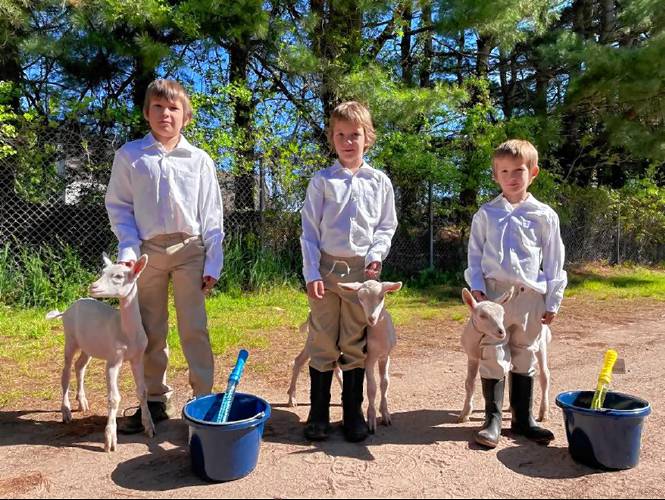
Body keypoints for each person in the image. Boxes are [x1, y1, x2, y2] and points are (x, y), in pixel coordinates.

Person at [105, 79, 224, 433]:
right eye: (157, 107)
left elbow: (212, 214)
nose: (165, 114)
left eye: (173, 108)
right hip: (147, 252)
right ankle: (155, 400)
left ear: (186, 117)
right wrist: (129, 249)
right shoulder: (130, 156)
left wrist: (213, 261)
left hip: (190, 249)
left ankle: (203, 397)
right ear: (146, 112)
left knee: (194, 327)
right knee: (150, 328)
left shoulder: (199, 160)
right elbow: (120, 207)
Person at [300, 101, 397, 442]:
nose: (347, 141)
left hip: (362, 276)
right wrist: (312, 273)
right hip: (326, 272)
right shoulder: (322, 181)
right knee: (324, 339)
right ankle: (318, 412)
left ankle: (353, 411)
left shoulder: (379, 182)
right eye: (340, 135)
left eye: (354, 134)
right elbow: (309, 230)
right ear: (332, 139)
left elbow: (386, 225)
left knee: (355, 343)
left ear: (367, 138)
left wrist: (375, 254)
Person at [464, 139, 567, 448]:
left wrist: (553, 299)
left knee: (525, 353)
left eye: (519, 170)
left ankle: (523, 419)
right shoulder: (486, 214)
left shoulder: (544, 215)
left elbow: (554, 261)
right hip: (494, 297)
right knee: (493, 352)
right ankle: (492, 419)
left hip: (530, 298)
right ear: (496, 175)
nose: (512, 177)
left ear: (532, 172)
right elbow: (474, 255)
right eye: (504, 171)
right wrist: (478, 288)